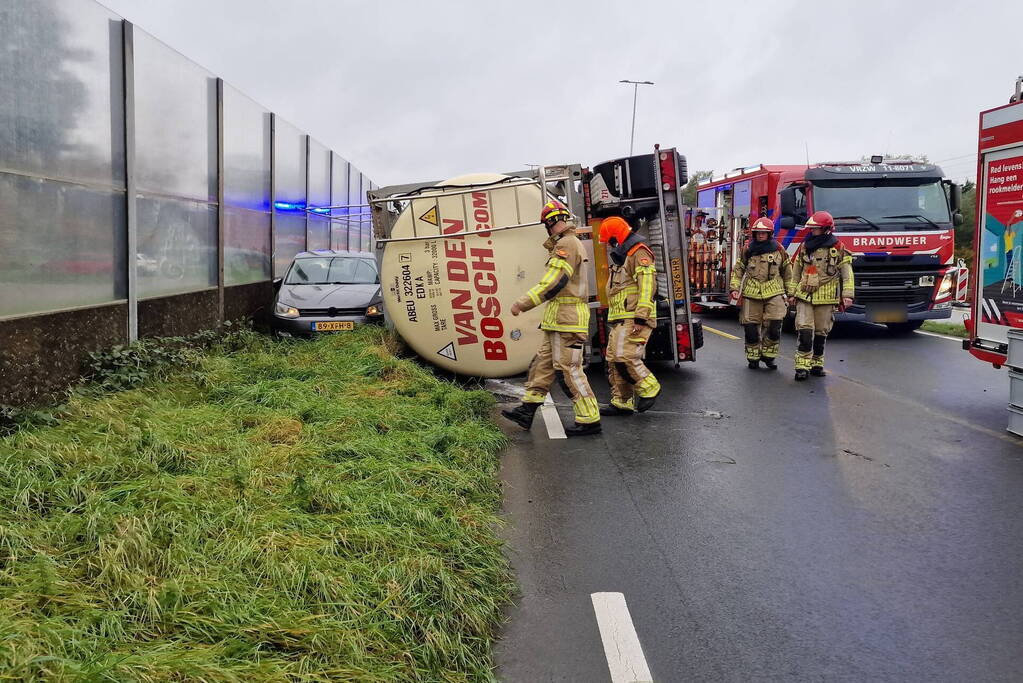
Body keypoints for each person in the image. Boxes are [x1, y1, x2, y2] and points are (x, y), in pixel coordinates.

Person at [501, 199, 601, 436]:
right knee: (542, 366)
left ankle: (589, 419)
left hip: (567, 321)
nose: (547, 229)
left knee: (568, 369)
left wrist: (522, 303)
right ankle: (527, 410)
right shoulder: (567, 243)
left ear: (555, 221)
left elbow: (555, 281)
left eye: (547, 224)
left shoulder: (567, 244)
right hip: (558, 320)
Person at [596, 216, 661, 416]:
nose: (608, 246)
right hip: (620, 318)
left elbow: (647, 286)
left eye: (610, 241)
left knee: (626, 356)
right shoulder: (623, 257)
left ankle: (649, 387)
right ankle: (622, 401)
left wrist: (641, 318)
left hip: (634, 318)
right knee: (614, 360)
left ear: (616, 238)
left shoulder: (638, 253)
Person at [789, 211, 854, 381]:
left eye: (816, 229)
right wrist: (791, 292)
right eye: (812, 229)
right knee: (805, 329)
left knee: (821, 332)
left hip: (826, 297)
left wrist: (847, 295)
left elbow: (847, 274)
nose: (812, 232)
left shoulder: (838, 248)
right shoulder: (805, 246)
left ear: (826, 229)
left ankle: (816, 364)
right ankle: (801, 366)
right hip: (804, 296)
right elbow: (796, 271)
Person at [729, 217, 793, 369]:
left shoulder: (779, 250)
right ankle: (753, 358)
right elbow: (738, 270)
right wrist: (734, 289)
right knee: (750, 328)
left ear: (770, 234)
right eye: (758, 232)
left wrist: (791, 293)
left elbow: (787, 272)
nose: (760, 235)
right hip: (752, 292)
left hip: (774, 291)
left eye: (764, 233)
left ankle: (769, 356)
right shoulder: (748, 249)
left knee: (774, 325)